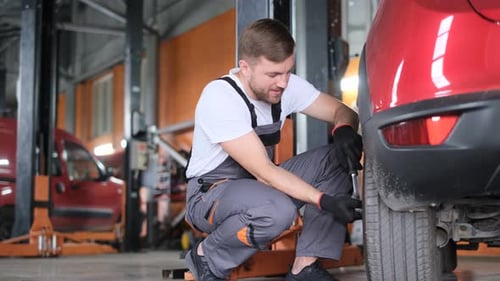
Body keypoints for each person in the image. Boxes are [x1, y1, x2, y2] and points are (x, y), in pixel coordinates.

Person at [184, 18, 363, 281]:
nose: (282, 82)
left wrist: (343, 129)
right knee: (277, 210)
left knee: (335, 159)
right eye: (273, 75)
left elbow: (342, 111)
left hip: (257, 187)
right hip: (210, 195)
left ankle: (305, 267)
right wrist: (324, 200)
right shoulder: (220, 97)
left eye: (288, 71)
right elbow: (266, 172)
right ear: (245, 68)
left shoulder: (284, 86)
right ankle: (207, 258)